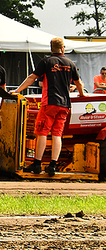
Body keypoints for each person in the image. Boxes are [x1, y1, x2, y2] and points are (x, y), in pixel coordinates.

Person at [13, 37, 85, 176]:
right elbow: (79, 83)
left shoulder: (46, 62)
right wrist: (82, 95)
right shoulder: (70, 63)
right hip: (65, 104)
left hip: (49, 102)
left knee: (42, 132)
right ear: (63, 48)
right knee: (57, 134)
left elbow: (31, 78)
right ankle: (53, 165)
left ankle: (37, 164)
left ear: (51, 48)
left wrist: (17, 91)